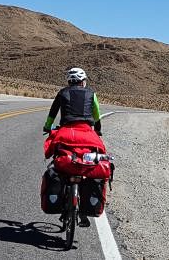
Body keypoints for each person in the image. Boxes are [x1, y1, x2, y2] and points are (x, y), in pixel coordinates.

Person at [43, 67, 106, 228]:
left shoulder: (63, 93)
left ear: (69, 81)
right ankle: (84, 208)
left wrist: (47, 126)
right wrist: (97, 130)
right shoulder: (91, 93)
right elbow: (97, 114)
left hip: (66, 132)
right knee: (90, 162)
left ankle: (62, 196)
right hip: (87, 132)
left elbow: (53, 112)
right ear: (83, 81)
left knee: (60, 160)